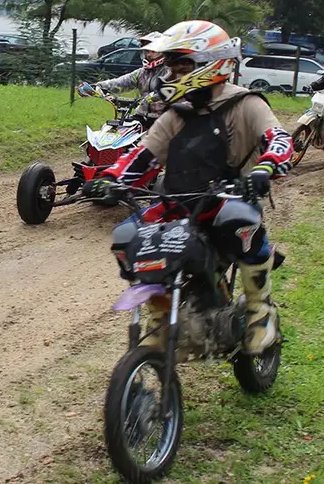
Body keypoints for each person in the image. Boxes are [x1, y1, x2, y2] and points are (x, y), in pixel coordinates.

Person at [85, 20, 294, 356]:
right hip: (179, 202)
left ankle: (260, 310)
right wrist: (111, 179)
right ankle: (161, 316)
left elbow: (280, 140)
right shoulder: (176, 114)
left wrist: (266, 167)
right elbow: (143, 157)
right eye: (171, 65)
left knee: (242, 222)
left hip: (229, 198)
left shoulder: (247, 104)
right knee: (127, 235)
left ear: (211, 64)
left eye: (182, 65)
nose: (172, 74)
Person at [76, 31, 168, 124]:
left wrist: (147, 99)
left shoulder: (169, 72)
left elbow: (169, 93)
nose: (149, 54)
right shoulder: (142, 73)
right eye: (147, 51)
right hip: (141, 117)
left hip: (163, 120)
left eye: (153, 51)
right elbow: (120, 83)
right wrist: (97, 87)